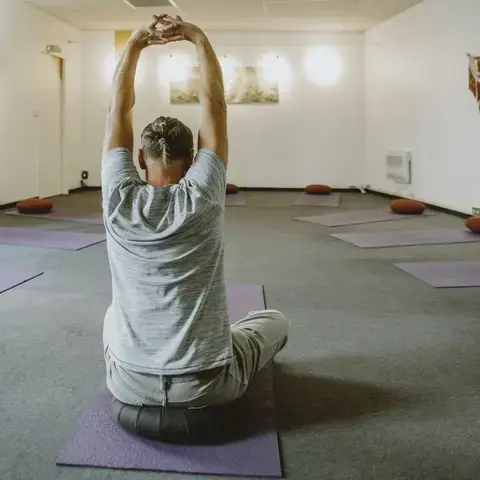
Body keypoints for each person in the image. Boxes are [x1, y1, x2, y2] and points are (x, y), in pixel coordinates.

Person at [101, 14, 288, 409]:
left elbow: (119, 108)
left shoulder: (117, 196)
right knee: (274, 321)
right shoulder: (204, 193)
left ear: (138, 157)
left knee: (110, 315)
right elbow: (215, 105)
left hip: (128, 383)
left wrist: (136, 42)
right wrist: (198, 37)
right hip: (206, 386)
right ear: (194, 160)